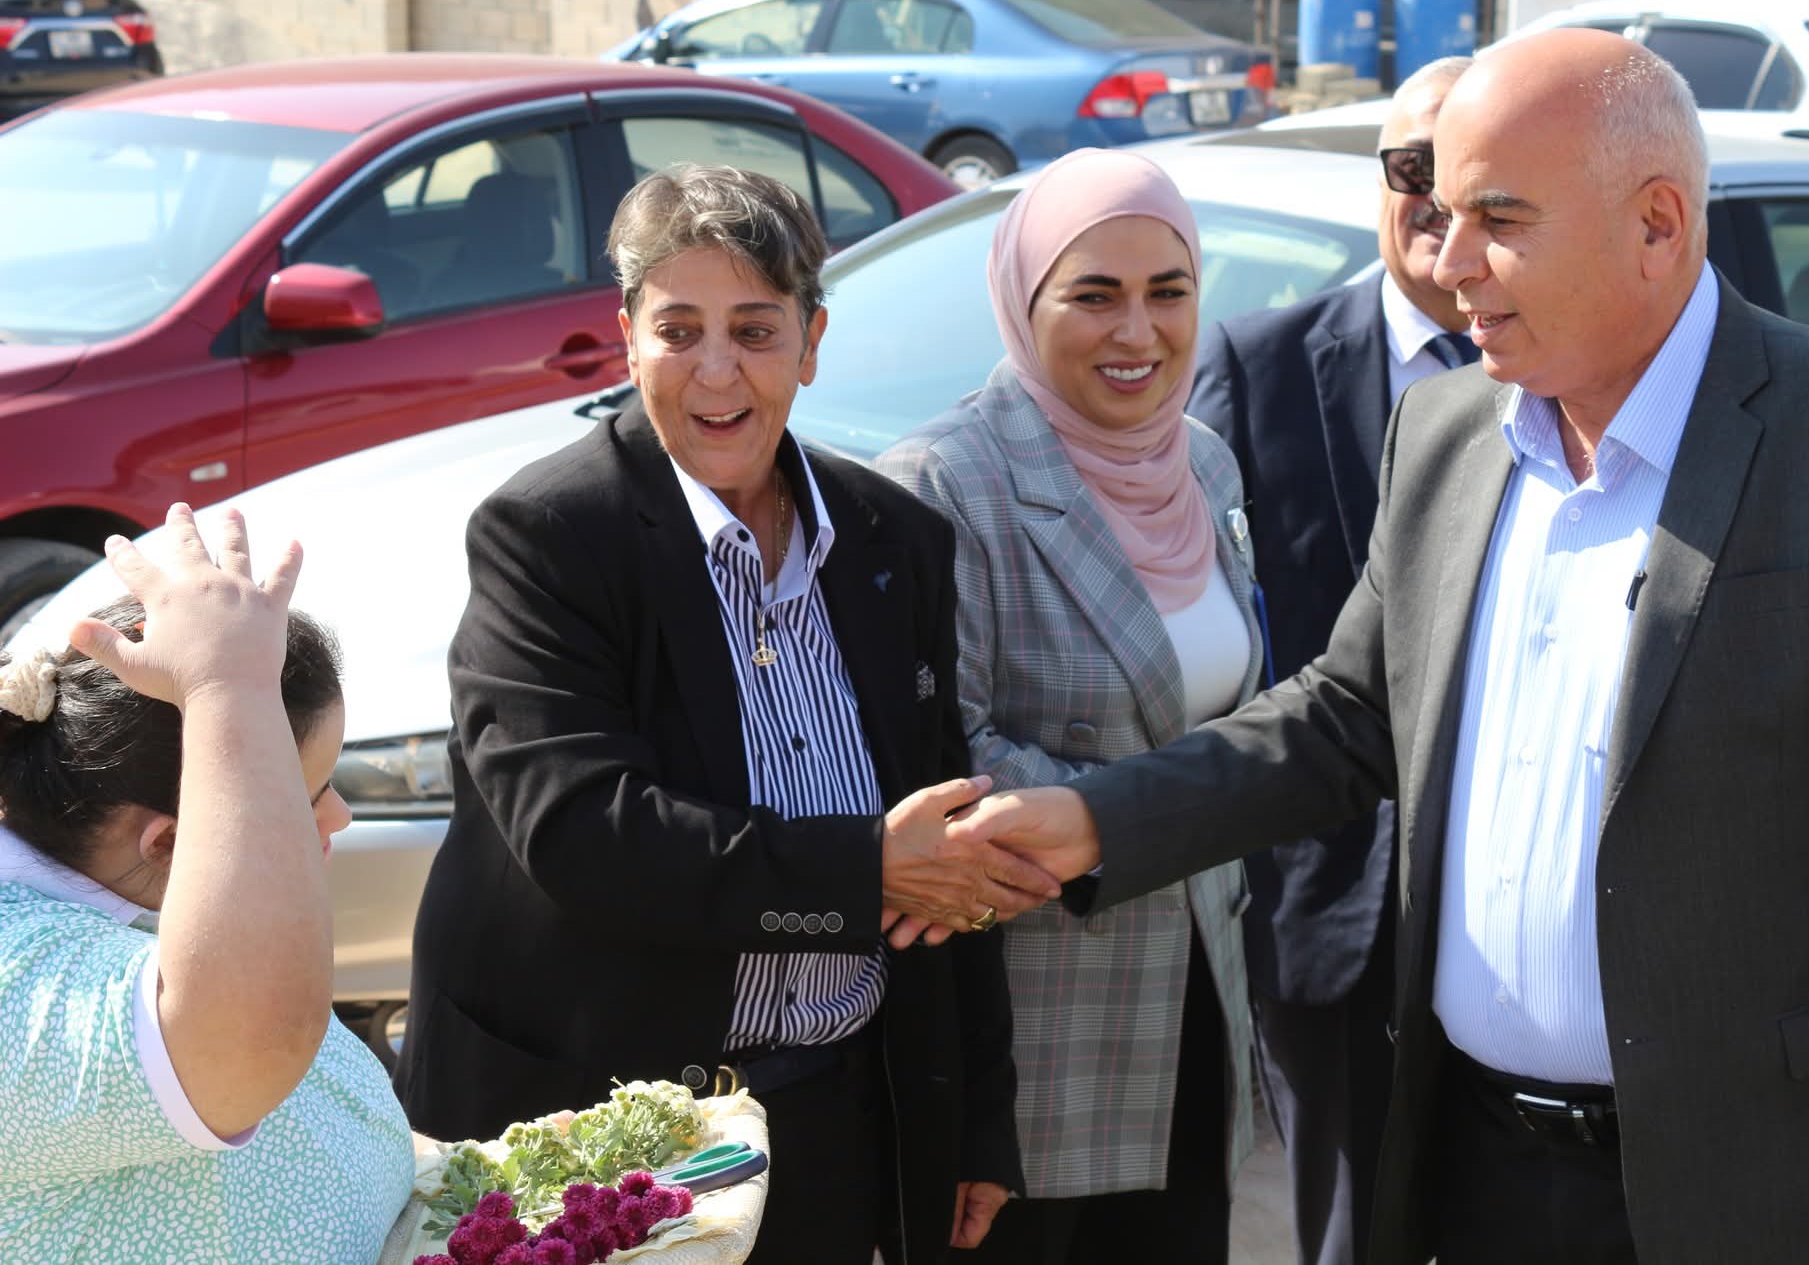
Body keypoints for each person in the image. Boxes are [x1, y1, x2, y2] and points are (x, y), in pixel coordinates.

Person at [952, 30, 1809, 1265]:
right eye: (1441, 209)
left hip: (1757, 1199)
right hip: (1472, 1182)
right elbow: (1345, 717)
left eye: (1499, 219)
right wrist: (1093, 822)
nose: (1448, 259)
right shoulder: (1447, 430)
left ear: (1655, 224)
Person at [393, 164, 1057, 1264]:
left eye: (754, 330)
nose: (716, 371)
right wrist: (861, 874)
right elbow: (582, 830)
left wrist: (975, 1117)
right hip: (602, 1143)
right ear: (627, 339)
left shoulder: (895, 539)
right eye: (678, 330)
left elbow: (944, 851)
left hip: (837, 1117)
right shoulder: (548, 536)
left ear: (811, 341)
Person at [878, 149, 1262, 1264]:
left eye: (1167, 292)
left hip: (1197, 1008)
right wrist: (1167, 814)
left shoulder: (1203, 464)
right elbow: (945, 759)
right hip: (1035, 1048)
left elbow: (1229, 708)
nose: (1136, 332)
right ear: (1021, 299)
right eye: (1093, 295)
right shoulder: (945, 483)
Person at [1184, 55, 1471, 1265]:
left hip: (1512, 911)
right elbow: (1206, 635)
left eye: (1468, 174)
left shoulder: (1569, 386)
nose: (1437, 199)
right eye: (1411, 167)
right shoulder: (1255, 367)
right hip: (1327, 908)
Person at [0, 505, 414, 1262]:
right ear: (168, 842)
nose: (341, 815)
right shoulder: (13, 978)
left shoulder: (132, 890)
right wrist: (226, 684)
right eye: (305, 795)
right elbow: (247, 1041)